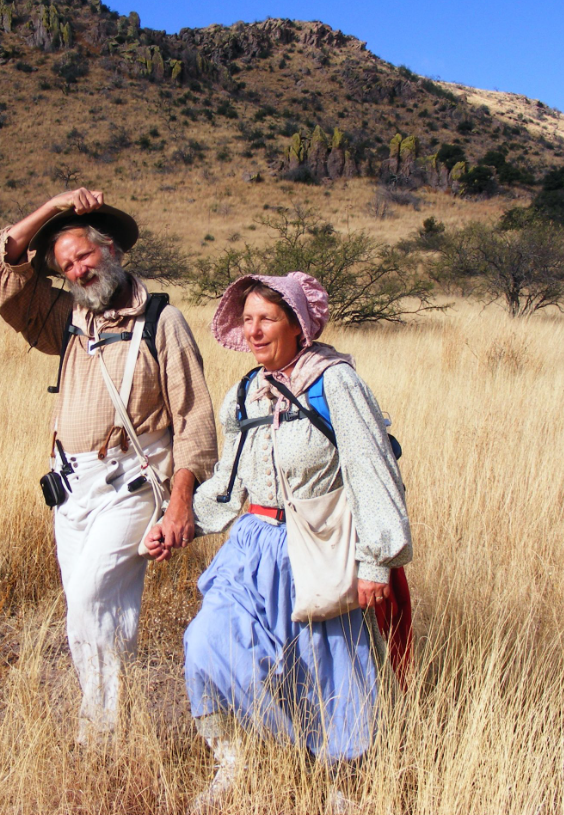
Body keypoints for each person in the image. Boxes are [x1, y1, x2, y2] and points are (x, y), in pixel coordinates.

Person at [145, 272, 412, 810]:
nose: (255, 330)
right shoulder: (244, 392)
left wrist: (376, 563)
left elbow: (370, 469)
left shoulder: (334, 383)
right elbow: (228, 481)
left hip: (319, 546)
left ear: (298, 324)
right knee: (206, 643)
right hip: (251, 548)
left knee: (331, 667)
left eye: (267, 318)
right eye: (247, 320)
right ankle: (235, 759)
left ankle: (343, 783)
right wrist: (183, 523)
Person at [0, 187, 217, 744]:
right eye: (65, 267)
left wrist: (181, 503)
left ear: (111, 250)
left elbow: (195, 419)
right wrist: (56, 204)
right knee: (87, 611)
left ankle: (102, 736)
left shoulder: (163, 320)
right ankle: (107, 726)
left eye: (83, 256)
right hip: (70, 490)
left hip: (134, 488)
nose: (78, 271)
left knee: (90, 596)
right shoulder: (65, 318)